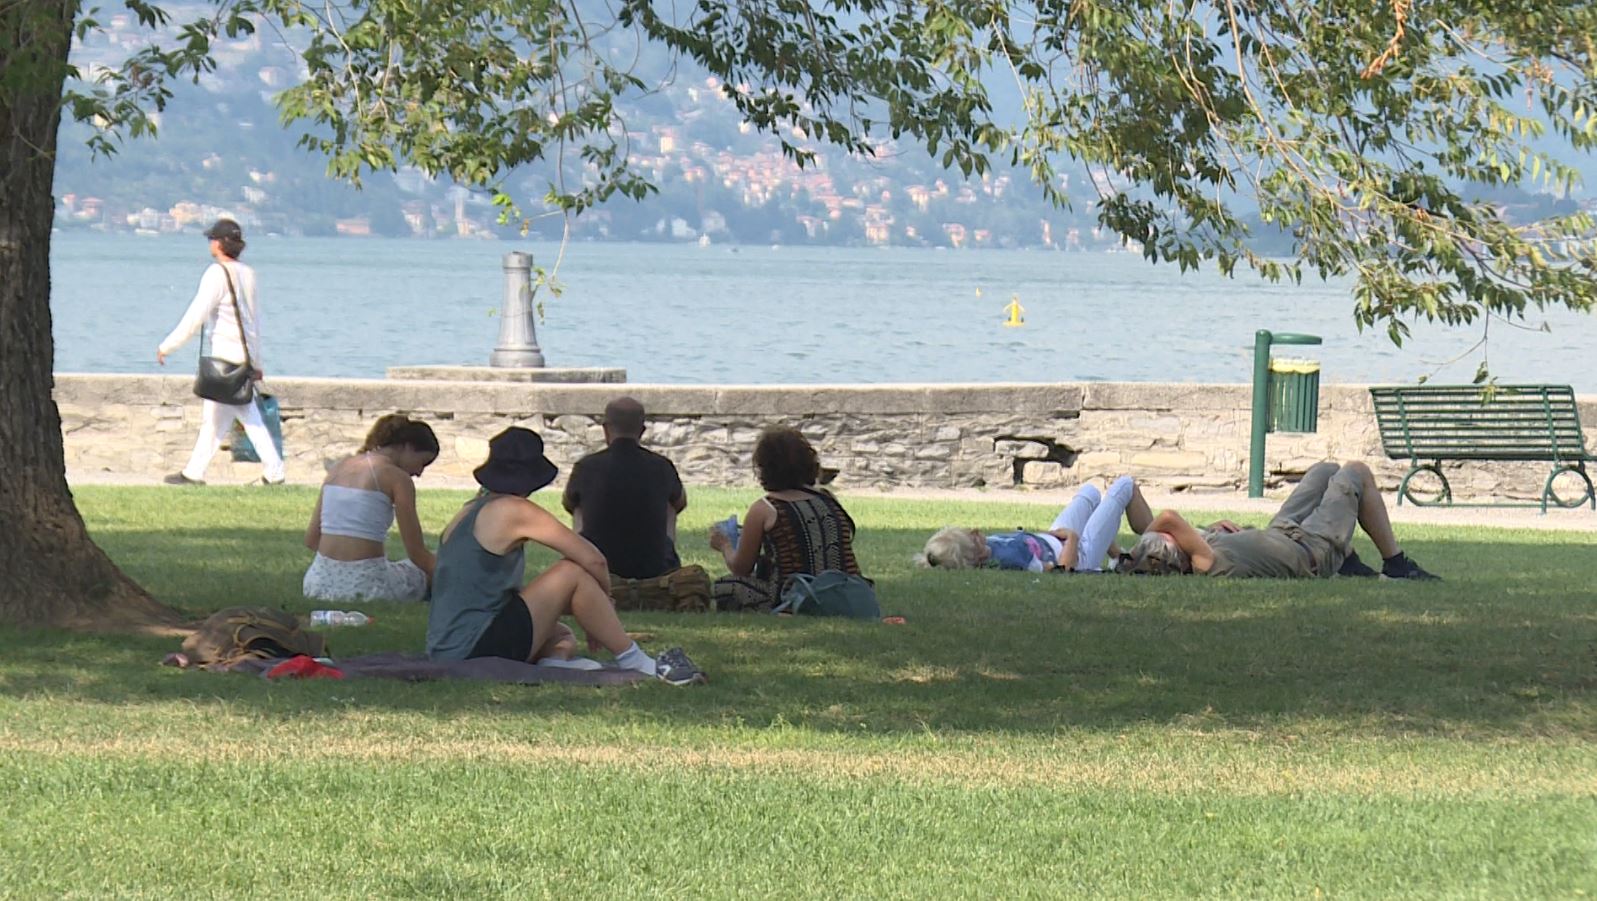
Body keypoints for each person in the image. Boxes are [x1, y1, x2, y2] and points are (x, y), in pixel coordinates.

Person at [426, 427, 705, 684]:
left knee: (560, 634)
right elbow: (592, 558)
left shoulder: (467, 511)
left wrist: (590, 610)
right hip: (475, 648)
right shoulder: (513, 509)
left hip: (447, 646)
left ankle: (555, 663)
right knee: (571, 572)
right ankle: (635, 659)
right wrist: (604, 604)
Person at [1121, 460, 1439, 580]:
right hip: (1312, 550)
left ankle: (1350, 562)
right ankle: (1396, 564)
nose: (1171, 534)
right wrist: (1150, 535)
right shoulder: (1204, 562)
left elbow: (1176, 529)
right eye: (1168, 538)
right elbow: (1168, 518)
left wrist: (1215, 530)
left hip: (1283, 530)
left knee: (1325, 470)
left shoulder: (1202, 550)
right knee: (1355, 473)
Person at [155, 218, 286, 486]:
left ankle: (274, 471)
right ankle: (195, 472)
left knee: (244, 417)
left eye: (212, 239)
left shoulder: (216, 274)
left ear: (218, 243)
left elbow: (196, 315)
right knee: (219, 419)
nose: (210, 244)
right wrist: (256, 361)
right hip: (243, 358)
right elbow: (254, 322)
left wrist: (167, 346)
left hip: (224, 357)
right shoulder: (248, 274)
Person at [709, 426, 865, 611]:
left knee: (725, 587)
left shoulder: (765, 509)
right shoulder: (827, 499)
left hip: (791, 596)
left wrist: (724, 545)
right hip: (844, 593)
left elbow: (741, 568)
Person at [302, 414, 440, 603]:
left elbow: (311, 540)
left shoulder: (338, 468)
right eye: (422, 462)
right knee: (438, 559)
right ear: (407, 446)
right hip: (367, 586)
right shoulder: (397, 478)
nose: (419, 472)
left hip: (317, 583)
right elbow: (417, 553)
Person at [561, 396, 688, 579]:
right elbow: (680, 502)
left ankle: (584, 561)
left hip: (598, 564)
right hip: (654, 567)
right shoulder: (662, 466)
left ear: (605, 429)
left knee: (579, 506)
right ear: (642, 430)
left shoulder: (586, 466)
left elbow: (568, 503)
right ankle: (664, 563)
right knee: (670, 506)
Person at [918, 476, 1153, 573]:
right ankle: (1160, 538)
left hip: (1055, 538)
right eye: (971, 538)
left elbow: (1026, 541)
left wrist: (1047, 535)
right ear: (973, 555)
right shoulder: (1010, 560)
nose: (976, 532)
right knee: (1125, 486)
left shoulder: (988, 546)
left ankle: (1119, 557)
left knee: (1090, 493)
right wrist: (1071, 538)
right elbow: (1063, 572)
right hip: (1078, 555)